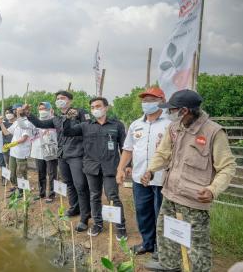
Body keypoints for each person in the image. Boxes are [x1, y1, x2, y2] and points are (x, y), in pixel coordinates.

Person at [142, 90, 236, 272]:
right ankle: (170, 267)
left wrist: (212, 189)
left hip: (194, 201)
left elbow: (227, 167)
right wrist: (151, 170)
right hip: (170, 194)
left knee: (197, 247)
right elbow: (163, 153)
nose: (169, 114)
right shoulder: (174, 128)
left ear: (184, 111)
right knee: (166, 235)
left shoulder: (213, 132)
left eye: (172, 110)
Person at [24, 90, 91, 233]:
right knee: (69, 184)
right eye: (58, 98)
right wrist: (28, 114)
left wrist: (73, 118)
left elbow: (88, 128)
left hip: (77, 154)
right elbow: (40, 124)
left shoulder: (79, 113)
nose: (60, 100)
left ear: (70, 100)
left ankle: (85, 217)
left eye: (63, 98)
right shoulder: (56, 119)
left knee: (80, 185)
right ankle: (74, 208)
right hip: (62, 155)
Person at [116, 86, 171, 255]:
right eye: (145, 100)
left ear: (162, 101)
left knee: (161, 215)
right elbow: (128, 149)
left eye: (152, 100)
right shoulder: (136, 124)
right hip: (140, 178)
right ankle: (147, 243)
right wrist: (120, 169)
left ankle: (161, 249)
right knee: (143, 212)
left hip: (163, 178)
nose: (147, 103)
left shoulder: (170, 124)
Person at [63, 97, 127, 239]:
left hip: (111, 167)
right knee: (94, 196)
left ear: (106, 107)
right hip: (91, 167)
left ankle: (120, 226)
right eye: (92, 107)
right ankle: (97, 223)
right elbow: (67, 132)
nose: (95, 109)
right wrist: (68, 118)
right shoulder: (85, 125)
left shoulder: (117, 125)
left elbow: (124, 147)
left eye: (98, 106)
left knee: (113, 196)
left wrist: (125, 167)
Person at [0, 103, 35, 196]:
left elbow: (24, 139)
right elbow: (7, 132)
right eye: (15, 110)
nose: (16, 111)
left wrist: (12, 144)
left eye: (18, 110)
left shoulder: (28, 122)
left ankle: (22, 190)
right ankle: (16, 187)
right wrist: (1, 123)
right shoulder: (16, 122)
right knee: (12, 172)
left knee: (21, 172)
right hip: (13, 152)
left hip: (22, 152)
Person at [30, 102, 58, 203]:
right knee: (41, 173)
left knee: (52, 173)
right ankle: (41, 193)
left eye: (44, 108)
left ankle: (51, 194)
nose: (42, 110)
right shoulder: (35, 121)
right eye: (40, 108)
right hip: (38, 151)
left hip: (51, 152)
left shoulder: (55, 120)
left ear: (50, 109)